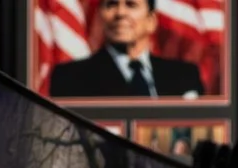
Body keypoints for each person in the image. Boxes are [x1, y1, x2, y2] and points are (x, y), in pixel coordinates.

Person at [46, 0, 206, 100]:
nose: (120, 13)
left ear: (151, 21)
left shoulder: (185, 77)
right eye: (111, 4)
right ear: (101, 16)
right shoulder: (70, 78)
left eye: (131, 4)